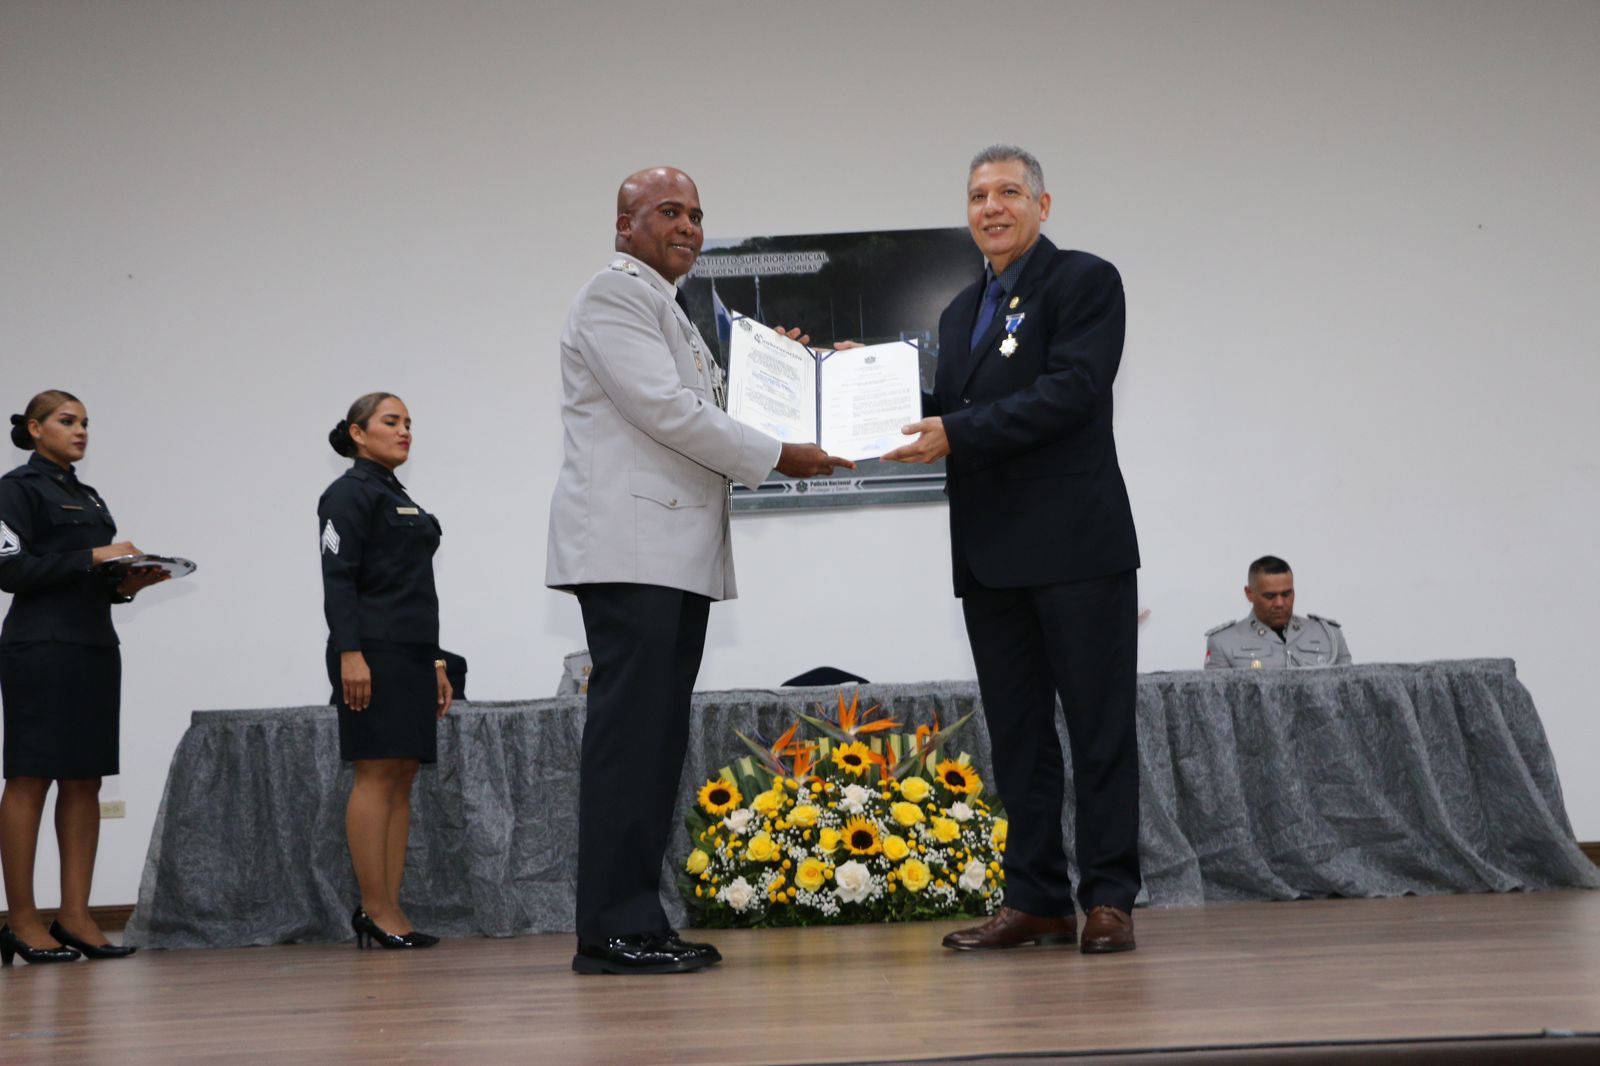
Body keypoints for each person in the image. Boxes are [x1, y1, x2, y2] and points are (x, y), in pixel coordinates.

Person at [546, 166, 850, 975]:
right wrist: (781, 453)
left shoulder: (668, 309)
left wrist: (794, 376)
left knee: (654, 747)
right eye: (668, 212)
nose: (688, 226)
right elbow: (668, 412)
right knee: (631, 746)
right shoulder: (614, 296)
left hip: (668, 555)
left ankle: (637, 922)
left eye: (696, 215)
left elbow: (706, 412)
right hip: (633, 552)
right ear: (625, 227)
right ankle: (610, 932)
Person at [884, 145, 1141, 954]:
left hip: (1077, 549)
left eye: (1007, 193)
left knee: (1099, 732)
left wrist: (956, 431)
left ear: (1042, 204)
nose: (990, 208)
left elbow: (1072, 391)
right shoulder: (961, 310)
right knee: (1019, 739)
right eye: (976, 196)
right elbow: (953, 406)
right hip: (990, 556)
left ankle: (1109, 899)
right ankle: (1036, 900)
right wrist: (862, 378)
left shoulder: (1085, 281)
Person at [0, 390, 169, 965]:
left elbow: (91, 580)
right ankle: (21, 920)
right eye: (67, 421)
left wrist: (127, 584)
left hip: (93, 646)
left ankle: (75, 916)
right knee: (30, 778)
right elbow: (9, 569)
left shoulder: (89, 497)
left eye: (85, 423)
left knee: (84, 781)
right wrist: (93, 557)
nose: (80, 431)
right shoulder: (16, 489)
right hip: (39, 648)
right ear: (34, 428)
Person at [319, 392, 453, 950]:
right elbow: (338, 578)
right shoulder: (347, 494)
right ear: (358, 432)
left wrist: (437, 661)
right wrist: (350, 653)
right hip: (371, 651)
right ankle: (374, 908)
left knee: (402, 775)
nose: (404, 431)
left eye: (408, 423)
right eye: (391, 421)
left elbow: (416, 588)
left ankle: (390, 906)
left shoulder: (397, 495)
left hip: (413, 653)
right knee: (375, 774)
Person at [1204, 555, 1351, 669]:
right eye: (1270, 596)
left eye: (1286, 594)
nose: (1280, 603)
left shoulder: (1329, 635)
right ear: (1249, 594)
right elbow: (1216, 698)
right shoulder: (1223, 642)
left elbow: (1349, 692)